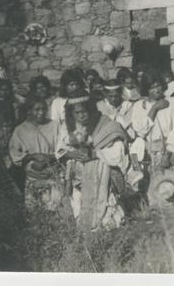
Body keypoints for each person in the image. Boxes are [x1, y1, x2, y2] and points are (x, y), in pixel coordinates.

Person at [56, 90, 138, 230]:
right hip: (79, 178)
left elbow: (118, 153)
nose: (81, 115)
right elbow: (60, 150)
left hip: (102, 174)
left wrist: (95, 154)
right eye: (77, 113)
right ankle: (87, 231)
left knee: (106, 215)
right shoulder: (67, 127)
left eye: (85, 111)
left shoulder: (107, 125)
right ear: (71, 114)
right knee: (80, 208)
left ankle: (107, 227)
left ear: (91, 109)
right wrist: (70, 155)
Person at [130, 71, 174, 180]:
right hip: (149, 155)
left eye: (158, 86)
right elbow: (140, 131)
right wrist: (154, 108)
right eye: (152, 88)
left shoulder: (173, 102)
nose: (156, 90)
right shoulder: (139, 106)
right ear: (146, 90)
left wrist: (167, 154)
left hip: (169, 152)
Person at [9, 95, 63, 211]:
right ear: (29, 111)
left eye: (44, 109)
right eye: (37, 109)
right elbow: (15, 154)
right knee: (34, 211)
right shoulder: (20, 130)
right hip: (33, 176)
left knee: (54, 208)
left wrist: (48, 159)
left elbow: (62, 148)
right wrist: (32, 157)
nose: (41, 112)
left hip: (52, 172)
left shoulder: (54, 126)